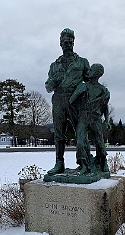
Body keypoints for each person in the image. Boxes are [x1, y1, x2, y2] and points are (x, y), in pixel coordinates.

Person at [45, 28, 90, 175]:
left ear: (74, 43)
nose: (67, 44)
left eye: (70, 41)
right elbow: (47, 87)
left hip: (76, 100)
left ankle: (84, 162)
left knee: (81, 132)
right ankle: (59, 162)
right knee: (59, 133)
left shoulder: (82, 62)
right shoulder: (54, 65)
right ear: (60, 43)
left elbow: (91, 82)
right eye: (64, 42)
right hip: (58, 100)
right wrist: (53, 82)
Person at [69, 63, 111, 175]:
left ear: (96, 74)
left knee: (99, 142)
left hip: (95, 118)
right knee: (80, 142)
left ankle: (103, 162)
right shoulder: (83, 86)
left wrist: (107, 120)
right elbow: (71, 101)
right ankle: (83, 165)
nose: (88, 71)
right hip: (83, 117)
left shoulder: (103, 90)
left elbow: (105, 106)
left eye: (91, 70)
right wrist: (79, 93)